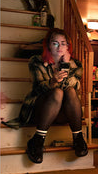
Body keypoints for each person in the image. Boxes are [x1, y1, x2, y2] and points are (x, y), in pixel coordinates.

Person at [18, 28, 88, 163]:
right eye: (55, 43)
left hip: (64, 113)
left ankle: (78, 138)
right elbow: (37, 89)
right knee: (57, 92)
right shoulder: (36, 61)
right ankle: (37, 141)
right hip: (39, 110)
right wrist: (51, 81)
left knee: (70, 91)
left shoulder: (76, 65)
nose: (59, 47)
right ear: (48, 45)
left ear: (68, 46)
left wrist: (65, 65)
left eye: (63, 43)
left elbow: (73, 86)